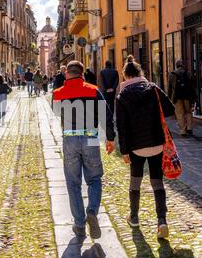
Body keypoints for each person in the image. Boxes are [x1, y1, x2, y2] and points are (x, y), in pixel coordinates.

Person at [53, 61, 116, 239]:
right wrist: (110, 138)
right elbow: (106, 114)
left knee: (73, 184)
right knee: (94, 179)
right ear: (82, 73)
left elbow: (57, 113)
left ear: (67, 74)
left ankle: (79, 224)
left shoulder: (58, 93)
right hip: (90, 137)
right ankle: (93, 212)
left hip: (70, 139)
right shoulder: (93, 90)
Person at [116, 55, 175, 240]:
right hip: (156, 143)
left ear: (125, 76)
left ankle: (133, 217)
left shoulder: (122, 95)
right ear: (140, 73)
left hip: (135, 147)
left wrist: (124, 150)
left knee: (135, 182)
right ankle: (162, 221)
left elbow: (121, 126)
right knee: (157, 182)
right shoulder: (153, 89)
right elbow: (170, 109)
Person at [168, 59, 196, 137]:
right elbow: (192, 87)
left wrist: (169, 98)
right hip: (187, 96)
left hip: (177, 97)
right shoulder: (188, 73)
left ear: (176, 65)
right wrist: (194, 97)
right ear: (182, 65)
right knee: (188, 112)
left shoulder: (172, 74)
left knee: (180, 114)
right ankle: (189, 128)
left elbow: (170, 88)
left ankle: (183, 131)